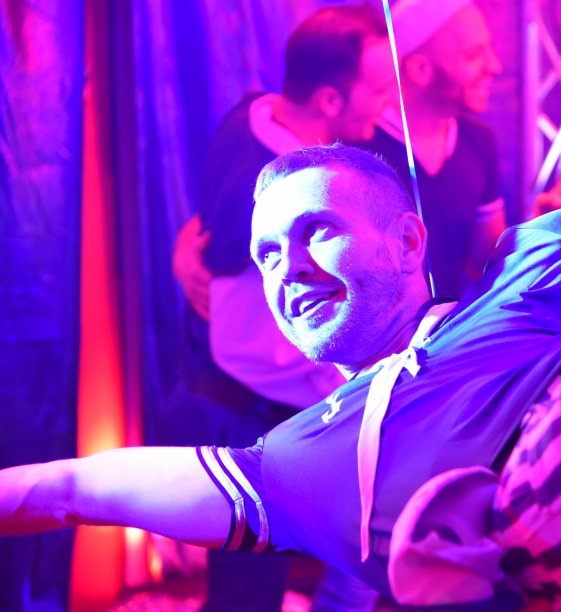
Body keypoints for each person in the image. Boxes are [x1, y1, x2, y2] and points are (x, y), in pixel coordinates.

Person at [2, 0, 561, 609]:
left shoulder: (530, 266)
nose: (286, 270)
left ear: (409, 243)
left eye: (317, 232)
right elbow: (70, 487)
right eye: (267, 253)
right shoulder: (297, 461)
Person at [165, 4, 392, 610]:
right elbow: (242, 331)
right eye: (377, 90)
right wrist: (350, 389)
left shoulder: (255, 111)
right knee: (247, 591)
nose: (385, 106)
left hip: (251, 390)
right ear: (329, 100)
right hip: (244, 401)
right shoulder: (280, 184)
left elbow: (207, 229)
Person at [366, 0, 506, 298]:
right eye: (474, 55)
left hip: (450, 326)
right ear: (420, 69)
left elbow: (487, 262)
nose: (495, 66)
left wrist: (543, 223)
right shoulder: (361, 145)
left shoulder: (477, 141)